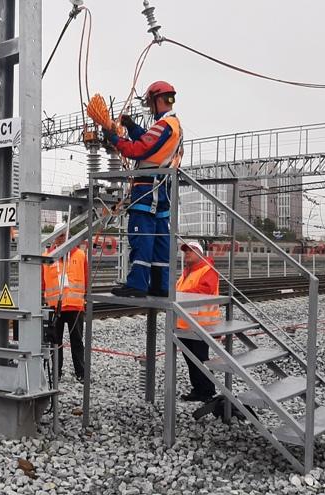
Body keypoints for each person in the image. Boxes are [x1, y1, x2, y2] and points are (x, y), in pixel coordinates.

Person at [105, 80, 183, 298]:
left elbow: (140, 149)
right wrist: (130, 126)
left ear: (158, 100)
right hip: (162, 191)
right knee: (159, 240)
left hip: (148, 190)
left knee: (142, 237)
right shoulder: (172, 125)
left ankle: (137, 284)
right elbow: (149, 140)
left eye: (149, 103)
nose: (148, 108)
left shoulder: (165, 125)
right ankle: (160, 285)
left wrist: (115, 139)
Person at [41, 223, 87, 383]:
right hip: (55, 308)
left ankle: (81, 373)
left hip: (75, 307)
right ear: (54, 237)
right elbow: (42, 283)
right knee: (55, 343)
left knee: (77, 341)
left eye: (64, 235)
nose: (62, 238)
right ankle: (56, 373)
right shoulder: (46, 256)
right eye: (59, 235)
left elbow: (86, 281)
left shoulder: (80, 255)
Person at [176, 241, 221, 402]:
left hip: (201, 325)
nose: (187, 253)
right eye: (186, 250)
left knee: (200, 359)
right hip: (185, 324)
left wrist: (179, 295)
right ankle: (198, 389)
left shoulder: (208, 270)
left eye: (191, 250)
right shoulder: (187, 272)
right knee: (191, 360)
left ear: (200, 253)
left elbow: (204, 291)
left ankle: (207, 391)